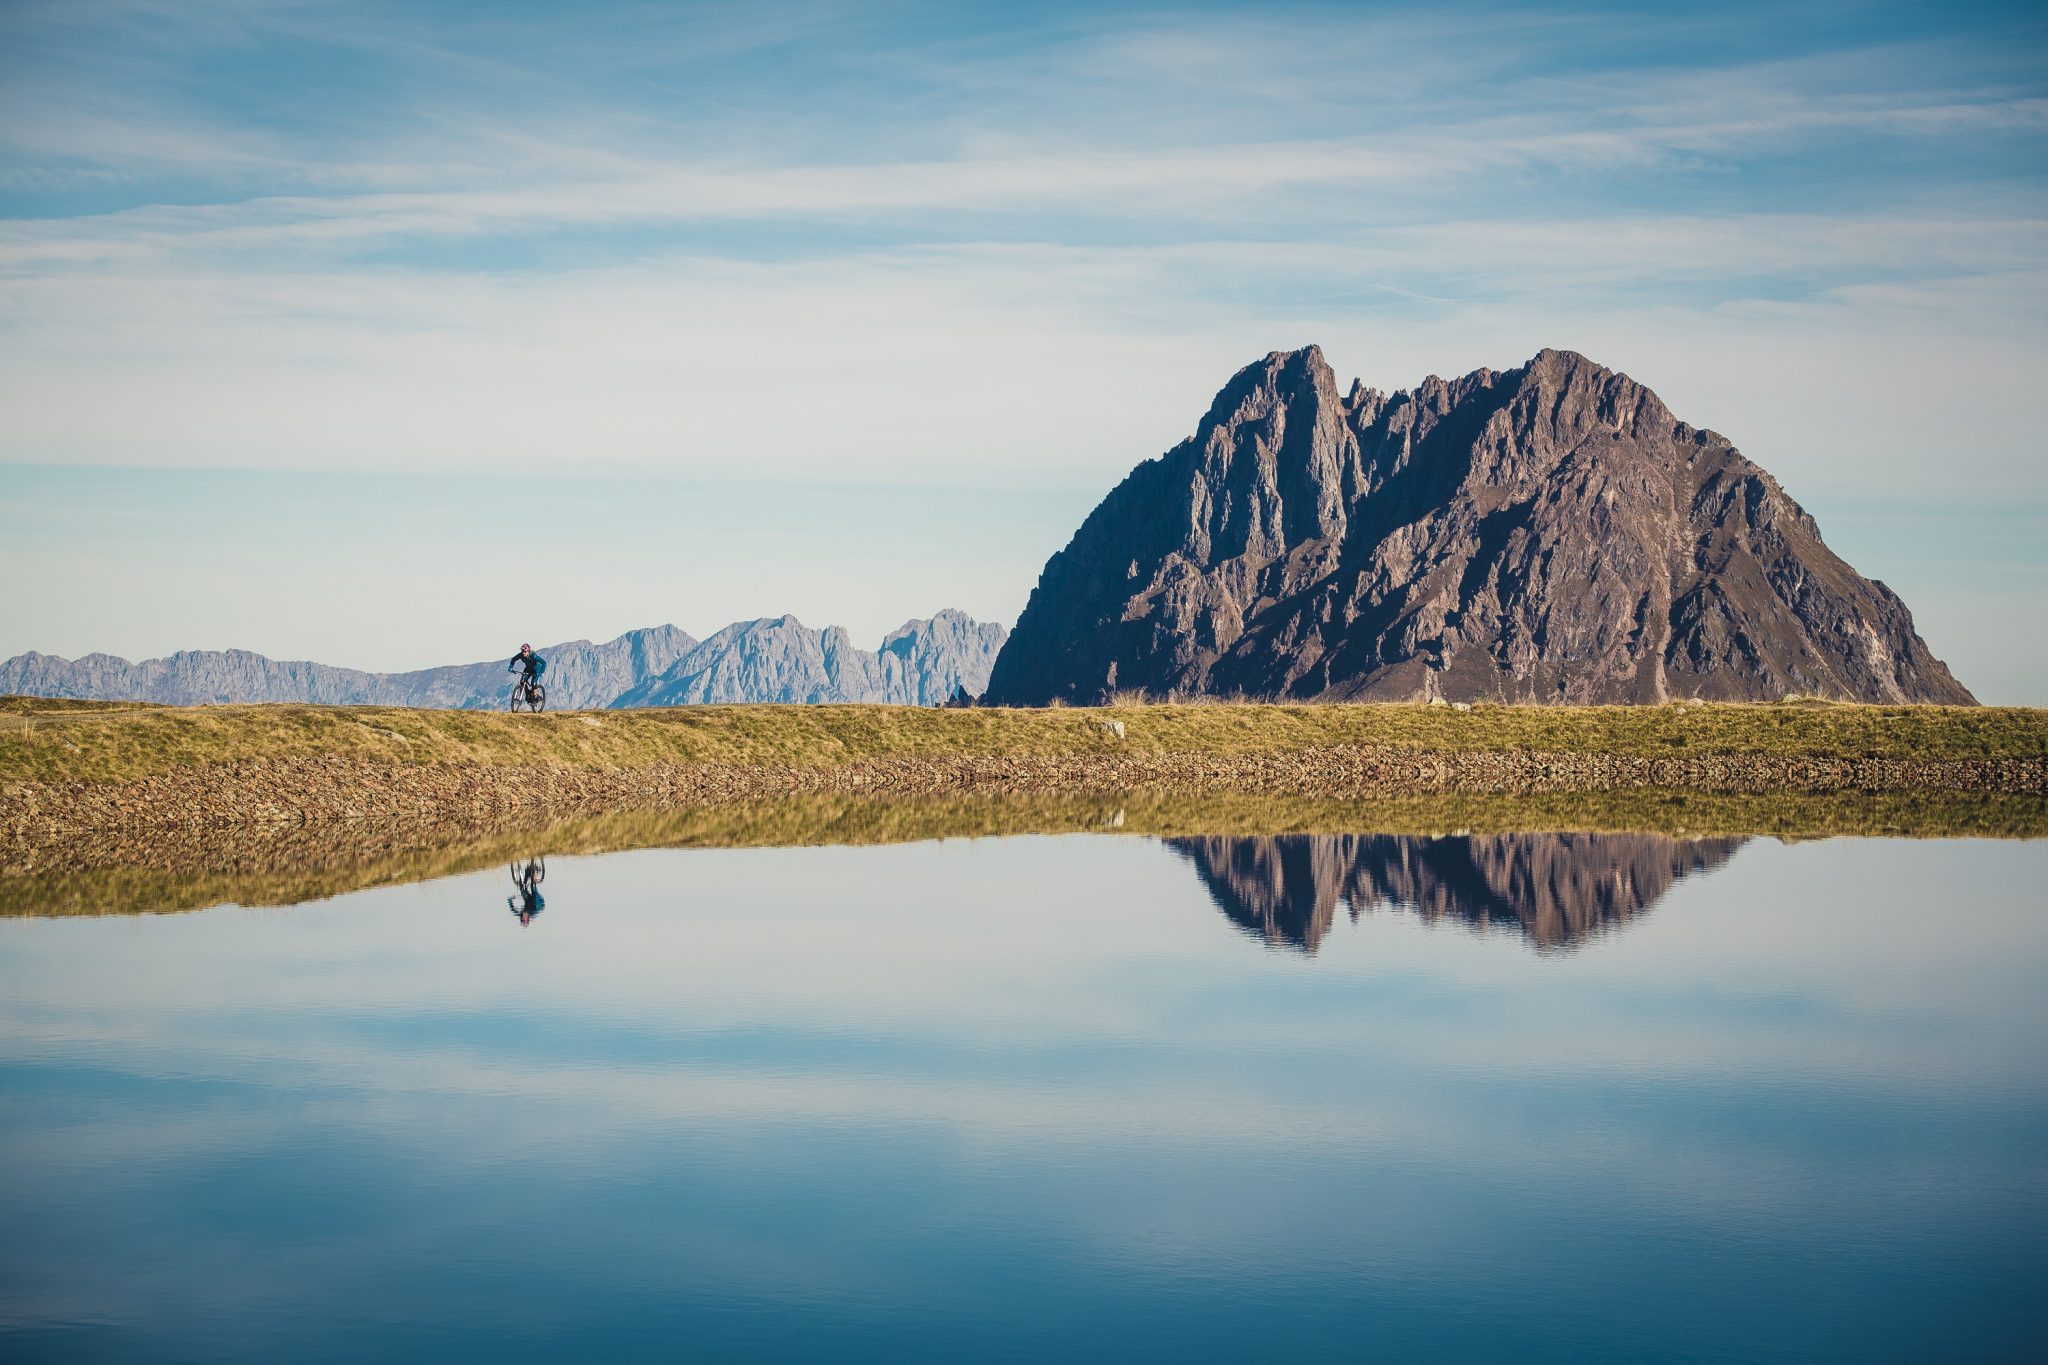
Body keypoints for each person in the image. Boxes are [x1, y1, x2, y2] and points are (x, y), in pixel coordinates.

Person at [508, 857, 546, 926]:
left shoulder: (520, 914)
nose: (523, 915)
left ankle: (526, 875)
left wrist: (511, 899)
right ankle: (534, 872)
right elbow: (539, 903)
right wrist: (533, 881)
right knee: (532, 887)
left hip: (528, 900)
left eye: (522, 917)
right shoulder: (533, 912)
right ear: (528, 918)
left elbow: (512, 908)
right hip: (538, 901)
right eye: (525, 917)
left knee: (522, 890)